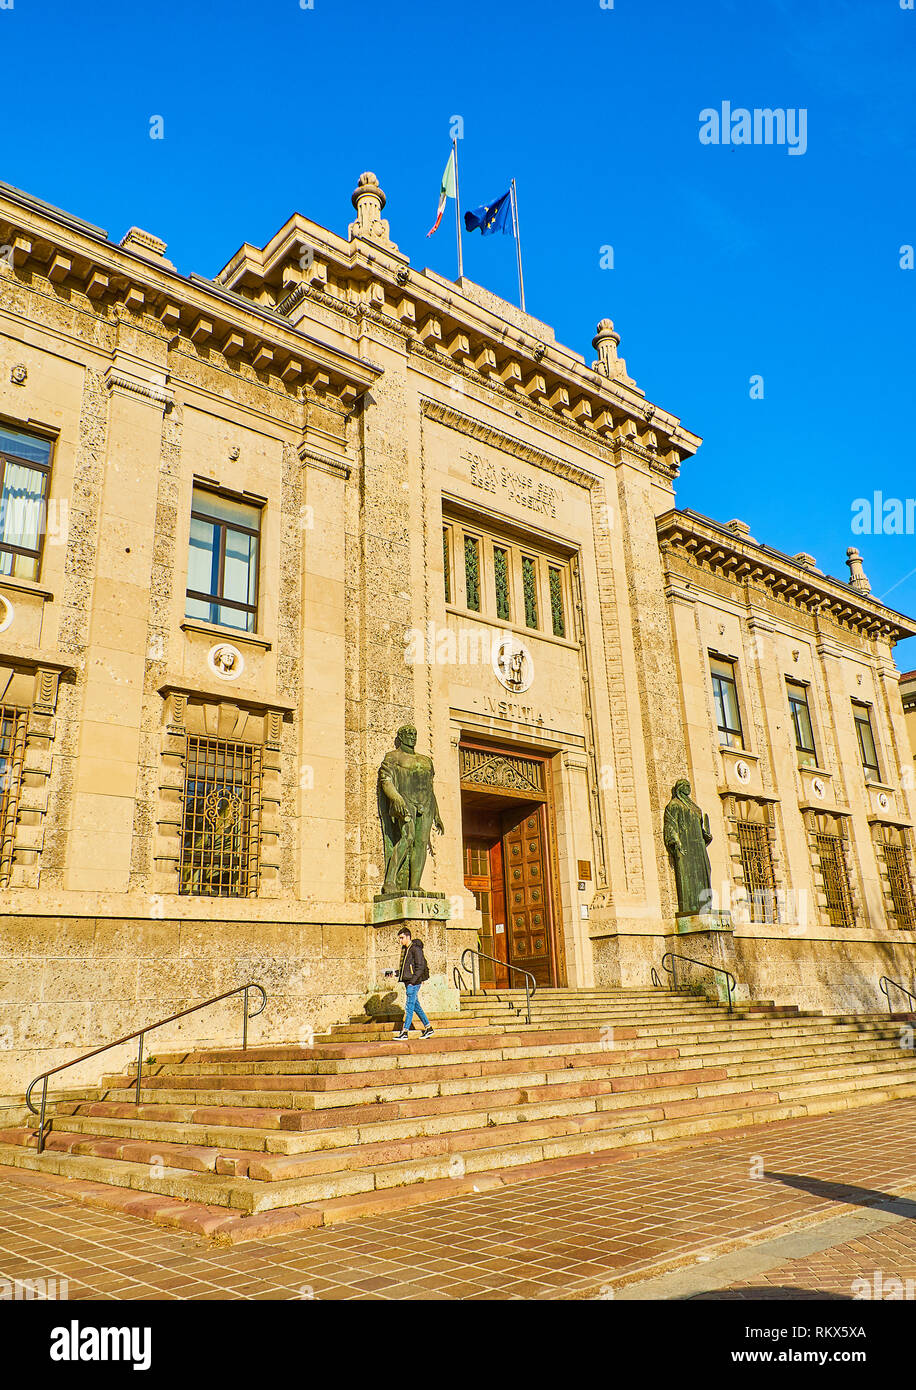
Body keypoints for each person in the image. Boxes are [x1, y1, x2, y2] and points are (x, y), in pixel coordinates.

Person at [391, 927, 433, 1040]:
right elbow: (407, 969)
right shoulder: (406, 949)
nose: (400, 940)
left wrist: (412, 982)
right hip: (409, 981)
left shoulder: (415, 949)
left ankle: (405, 1032)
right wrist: (395, 973)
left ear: (408, 937)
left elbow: (420, 967)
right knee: (415, 1006)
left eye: (402, 938)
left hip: (413, 983)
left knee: (409, 1006)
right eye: (399, 938)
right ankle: (428, 1028)